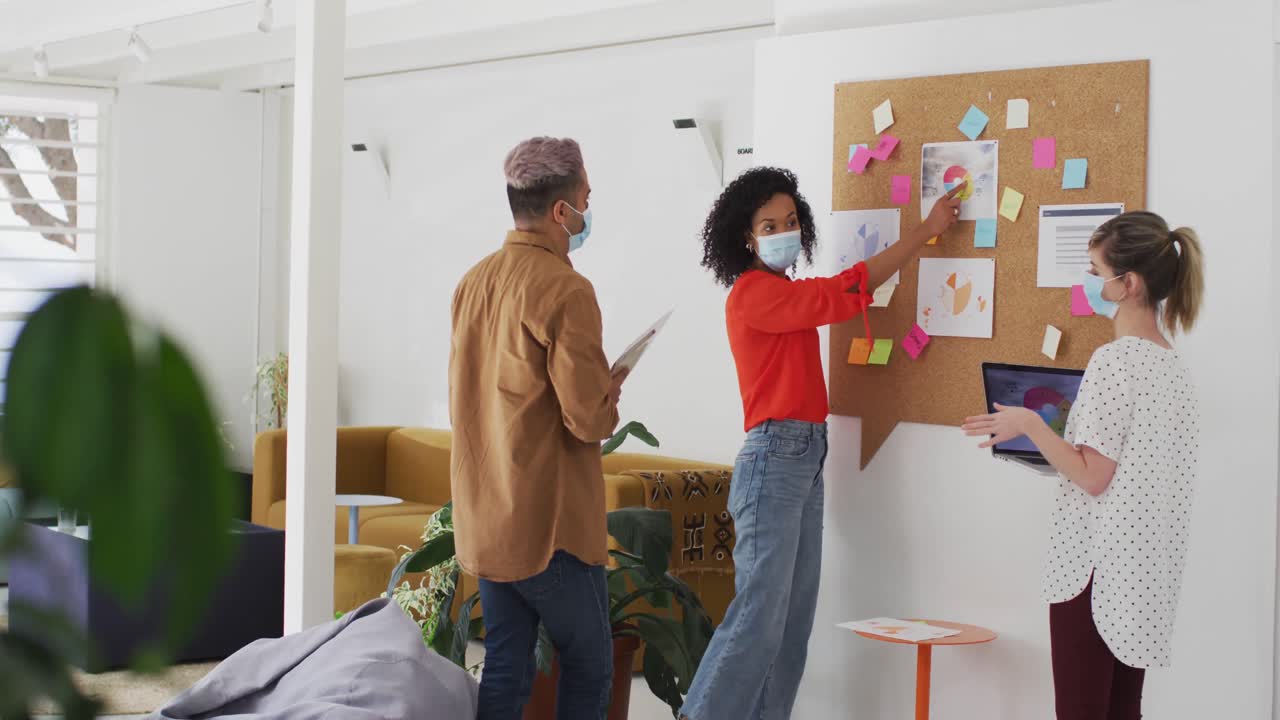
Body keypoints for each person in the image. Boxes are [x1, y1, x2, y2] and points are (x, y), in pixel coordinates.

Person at [680, 167, 962, 720]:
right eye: (769, 224)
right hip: (774, 459)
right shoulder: (752, 294)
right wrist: (923, 232)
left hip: (805, 457)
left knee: (790, 629)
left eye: (790, 221)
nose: (783, 231)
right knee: (759, 619)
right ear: (746, 234)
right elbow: (843, 292)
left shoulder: (779, 291)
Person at [962, 211, 1204, 720]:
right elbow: (1127, 471)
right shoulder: (1174, 369)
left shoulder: (1115, 362)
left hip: (1094, 576)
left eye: (1096, 271)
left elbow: (1094, 477)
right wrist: (1054, 448)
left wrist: (1030, 424)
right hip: (1146, 575)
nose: (1089, 282)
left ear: (1128, 283)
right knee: (1122, 711)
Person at [449, 136, 626, 720]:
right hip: (551, 528)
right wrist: (608, 395)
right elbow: (586, 419)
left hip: (487, 518)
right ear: (561, 211)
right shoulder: (566, 289)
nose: (588, 210)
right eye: (586, 198)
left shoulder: (472, 283)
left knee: (505, 663)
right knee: (590, 665)